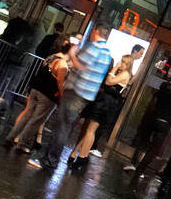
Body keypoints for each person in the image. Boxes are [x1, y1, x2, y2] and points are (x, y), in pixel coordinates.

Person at [30, 24, 112, 171]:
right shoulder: (107, 53)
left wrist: (73, 54)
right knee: (65, 126)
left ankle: (50, 160)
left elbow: (80, 65)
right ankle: (50, 159)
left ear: (96, 32)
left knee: (61, 126)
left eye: (93, 32)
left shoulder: (93, 48)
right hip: (86, 96)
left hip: (76, 92)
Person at [68, 44, 137, 171]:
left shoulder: (125, 74)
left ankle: (82, 157)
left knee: (90, 130)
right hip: (104, 102)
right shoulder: (123, 73)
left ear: (126, 63)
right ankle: (77, 153)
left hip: (106, 104)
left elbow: (109, 82)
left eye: (122, 61)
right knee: (90, 130)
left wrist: (113, 69)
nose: (119, 63)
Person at [6, 40, 70, 151]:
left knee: (27, 115)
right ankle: (21, 144)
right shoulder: (63, 64)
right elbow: (60, 82)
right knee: (35, 120)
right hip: (47, 94)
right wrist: (62, 96)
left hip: (35, 89)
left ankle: (11, 137)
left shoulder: (51, 57)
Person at [125, 67, 171, 175]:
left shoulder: (164, 85)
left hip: (153, 117)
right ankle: (140, 170)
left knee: (143, 142)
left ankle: (133, 164)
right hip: (165, 122)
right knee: (154, 149)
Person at [87, 43, 144, 156]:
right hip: (110, 98)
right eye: (141, 53)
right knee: (99, 124)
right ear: (135, 51)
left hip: (111, 96)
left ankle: (89, 147)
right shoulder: (127, 65)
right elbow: (115, 81)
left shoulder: (128, 66)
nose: (142, 56)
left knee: (96, 125)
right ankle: (91, 146)